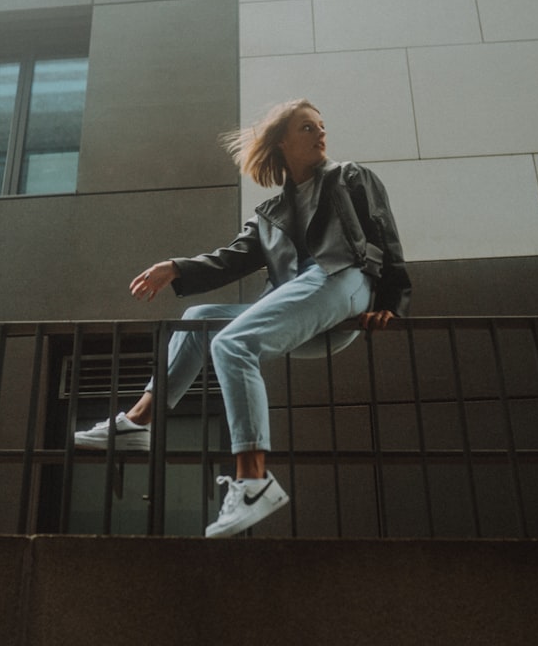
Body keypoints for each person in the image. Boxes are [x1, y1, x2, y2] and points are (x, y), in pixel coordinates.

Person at [74, 98, 411, 537]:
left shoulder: (349, 176)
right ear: (282, 142)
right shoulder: (270, 213)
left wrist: (391, 300)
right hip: (298, 302)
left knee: (232, 343)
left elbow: (384, 233)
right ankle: (138, 422)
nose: (321, 133)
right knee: (198, 320)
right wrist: (175, 266)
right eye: (308, 128)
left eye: (321, 126)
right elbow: (232, 260)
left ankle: (253, 481)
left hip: (342, 279)